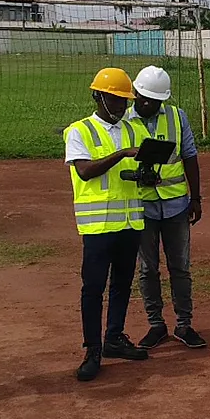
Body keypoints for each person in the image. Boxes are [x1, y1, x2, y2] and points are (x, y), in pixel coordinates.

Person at [63, 67, 150, 381]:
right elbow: (85, 171)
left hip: (130, 221)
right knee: (93, 288)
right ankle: (92, 349)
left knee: (123, 284)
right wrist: (122, 153)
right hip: (98, 226)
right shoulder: (79, 131)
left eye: (124, 100)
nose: (120, 106)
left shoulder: (133, 130)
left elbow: (137, 170)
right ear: (97, 96)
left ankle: (114, 337)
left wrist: (145, 175)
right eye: (113, 99)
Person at [127, 66, 206, 350]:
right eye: (145, 99)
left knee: (180, 268)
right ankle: (155, 325)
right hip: (141, 208)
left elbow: (190, 157)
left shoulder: (176, 116)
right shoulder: (123, 122)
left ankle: (184, 324)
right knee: (147, 269)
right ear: (135, 94)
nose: (149, 105)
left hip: (176, 206)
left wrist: (196, 198)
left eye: (155, 101)